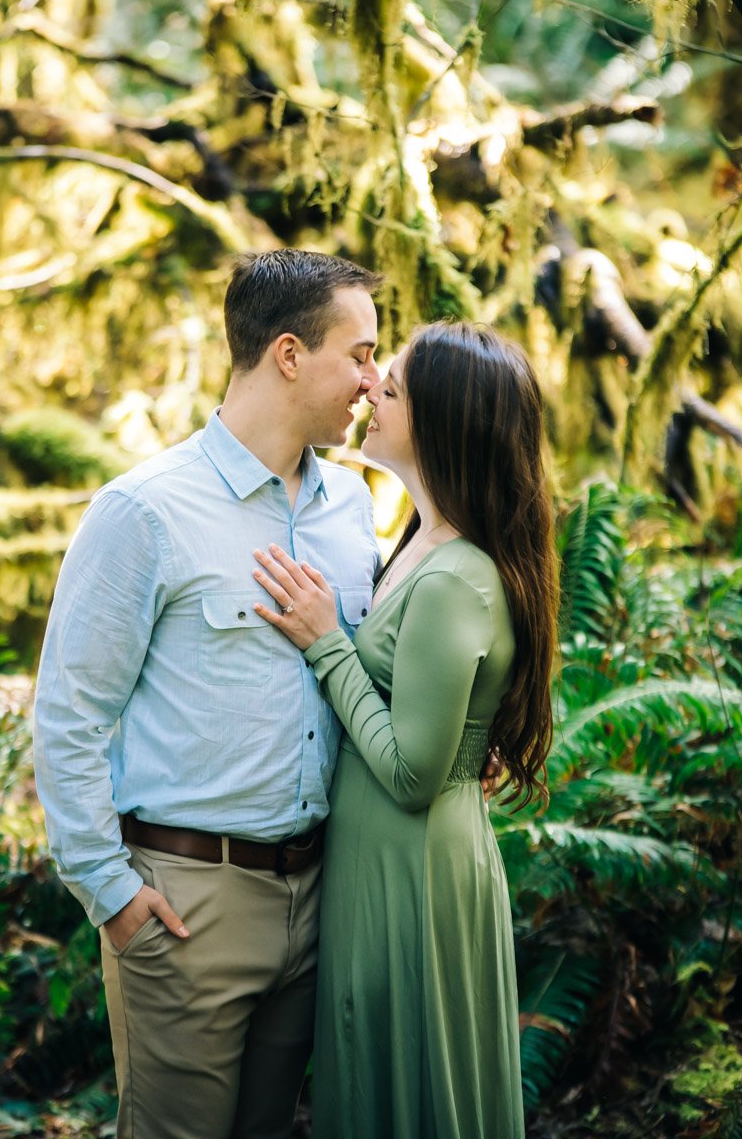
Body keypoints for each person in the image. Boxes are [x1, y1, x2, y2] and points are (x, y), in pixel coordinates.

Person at [31, 250, 384, 1139]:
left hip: (318, 896)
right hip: (187, 907)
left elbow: (368, 676)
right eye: (363, 354)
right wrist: (109, 893)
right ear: (291, 355)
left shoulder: (352, 507)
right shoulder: (144, 510)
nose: (375, 383)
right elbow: (70, 714)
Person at [249, 320, 561, 1139]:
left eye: (391, 388)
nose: (371, 391)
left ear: (444, 422)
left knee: (412, 1094)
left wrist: (326, 644)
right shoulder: (420, 539)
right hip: (381, 858)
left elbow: (414, 772)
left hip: (415, 871)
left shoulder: (460, 575)